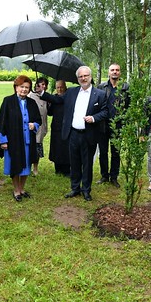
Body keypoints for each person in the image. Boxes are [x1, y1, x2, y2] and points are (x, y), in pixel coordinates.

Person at [40, 66, 109, 201]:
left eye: (86, 76)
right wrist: (43, 94)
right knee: (75, 162)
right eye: (80, 77)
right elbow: (58, 100)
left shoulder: (99, 94)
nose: (83, 78)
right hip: (73, 134)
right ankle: (75, 188)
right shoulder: (71, 92)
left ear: (90, 76)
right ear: (77, 79)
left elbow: (106, 112)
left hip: (89, 134)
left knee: (87, 163)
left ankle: (86, 190)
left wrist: (94, 118)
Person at [0, 75, 41, 202]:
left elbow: (38, 119)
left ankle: (22, 188)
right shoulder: (8, 101)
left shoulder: (32, 103)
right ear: (16, 87)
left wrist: (34, 125)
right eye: (22, 87)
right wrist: (3, 140)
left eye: (27, 87)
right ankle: (16, 190)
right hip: (13, 141)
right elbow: (2, 122)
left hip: (28, 141)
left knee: (26, 165)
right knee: (15, 165)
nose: (24, 90)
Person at [96, 63, 130, 188]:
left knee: (116, 152)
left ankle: (114, 177)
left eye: (117, 70)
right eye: (112, 70)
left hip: (118, 125)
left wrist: (125, 121)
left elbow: (129, 106)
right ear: (108, 72)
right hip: (103, 125)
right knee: (103, 152)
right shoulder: (101, 86)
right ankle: (104, 175)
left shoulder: (126, 87)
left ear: (120, 73)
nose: (115, 72)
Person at [47, 80, 70, 176]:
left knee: (65, 148)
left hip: (67, 127)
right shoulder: (54, 98)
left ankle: (66, 170)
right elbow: (50, 113)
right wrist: (49, 104)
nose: (59, 89)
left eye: (61, 87)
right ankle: (58, 169)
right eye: (57, 87)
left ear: (65, 87)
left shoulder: (69, 97)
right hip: (56, 127)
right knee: (56, 147)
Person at [27, 77, 49, 176]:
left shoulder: (47, 97)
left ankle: (35, 168)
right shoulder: (31, 96)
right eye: (40, 84)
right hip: (32, 125)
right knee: (31, 146)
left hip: (42, 126)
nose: (42, 86)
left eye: (44, 84)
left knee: (38, 147)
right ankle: (28, 166)